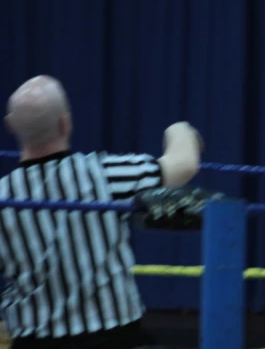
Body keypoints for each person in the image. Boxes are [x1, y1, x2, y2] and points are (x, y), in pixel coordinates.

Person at [1, 75, 203, 349]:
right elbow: (184, 165)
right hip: (117, 339)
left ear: (11, 126)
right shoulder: (105, 173)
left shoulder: (3, 197)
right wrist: (180, 129)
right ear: (65, 122)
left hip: (36, 341)